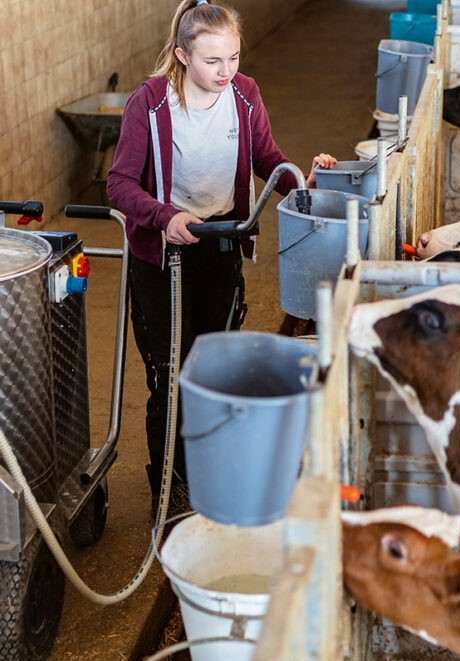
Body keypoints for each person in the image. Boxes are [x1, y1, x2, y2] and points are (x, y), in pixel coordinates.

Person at [107, 0, 336, 512]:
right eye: (213, 61)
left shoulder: (245, 94)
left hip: (221, 244)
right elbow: (119, 184)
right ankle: (167, 490)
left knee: (213, 371)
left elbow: (265, 158)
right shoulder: (149, 103)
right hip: (162, 259)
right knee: (170, 376)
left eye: (233, 58)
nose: (225, 71)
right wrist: (165, 217)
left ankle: (206, 470)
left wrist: (300, 181)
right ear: (183, 55)